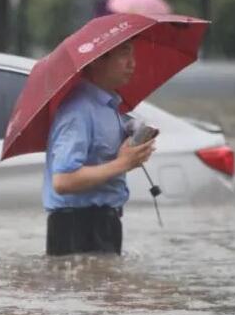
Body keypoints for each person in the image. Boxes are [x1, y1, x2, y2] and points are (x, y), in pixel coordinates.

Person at [42, 40, 156, 256]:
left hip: (106, 221)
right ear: (96, 61)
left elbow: (106, 160)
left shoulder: (110, 107)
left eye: (132, 54)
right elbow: (63, 180)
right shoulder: (77, 111)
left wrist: (133, 151)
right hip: (76, 226)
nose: (132, 63)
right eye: (123, 54)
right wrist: (123, 163)